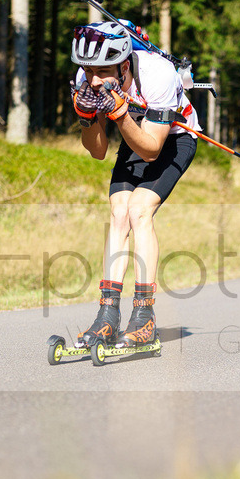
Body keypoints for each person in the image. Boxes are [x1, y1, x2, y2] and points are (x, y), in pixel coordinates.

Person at [69, 21, 199, 348]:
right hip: (134, 133)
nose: (94, 79)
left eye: (102, 71)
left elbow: (153, 149)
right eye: (87, 69)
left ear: (124, 63)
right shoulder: (88, 80)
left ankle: (144, 316)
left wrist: (119, 113)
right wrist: (87, 119)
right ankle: (107, 316)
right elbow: (97, 151)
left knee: (140, 210)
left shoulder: (157, 75)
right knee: (118, 211)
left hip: (173, 137)